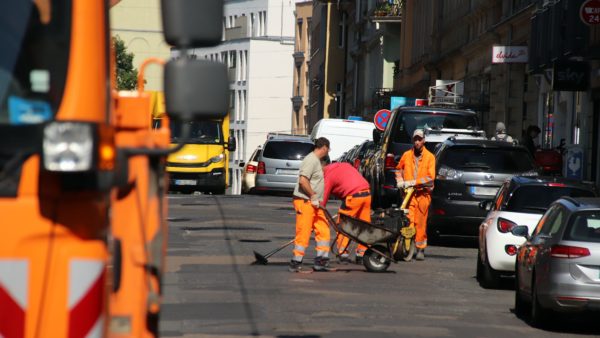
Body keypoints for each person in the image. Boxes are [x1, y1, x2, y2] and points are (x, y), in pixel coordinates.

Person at [289, 137, 333, 272]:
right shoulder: (311, 160)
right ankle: (296, 262)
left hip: (314, 203)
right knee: (304, 232)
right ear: (324, 147)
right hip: (305, 201)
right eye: (328, 149)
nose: (328, 151)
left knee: (324, 229)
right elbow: (303, 180)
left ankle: (321, 260)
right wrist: (313, 195)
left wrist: (316, 199)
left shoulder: (316, 161)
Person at [395, 129, 435, 261]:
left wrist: (414, 182)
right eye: (415, 139)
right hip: (409, 196)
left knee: (420, 223)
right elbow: (398, 169)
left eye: (420, 139)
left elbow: (430, 178)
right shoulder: (407, 155)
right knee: (408, 222)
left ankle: (420, 248)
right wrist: (400, 181)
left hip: (422, 195)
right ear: (413, 140)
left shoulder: (430, 157)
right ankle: (408, 247)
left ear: (424, 140)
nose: (417, 142)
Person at [321, 162, 371, 265]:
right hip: (367, 194)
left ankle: (343, 253)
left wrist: (318, 211)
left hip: (353, 197)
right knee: (364, 226)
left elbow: (323, 198)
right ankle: (362, 253)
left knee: (344, 225)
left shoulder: (328, 175)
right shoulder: (344, 165)